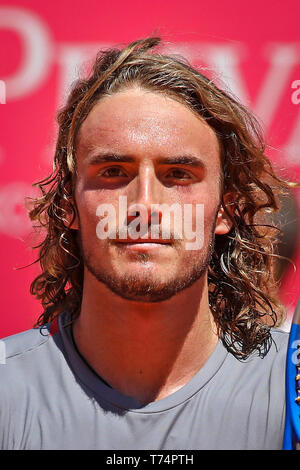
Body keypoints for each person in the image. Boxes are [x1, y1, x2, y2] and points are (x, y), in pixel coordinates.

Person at [0, 37, 297, 450]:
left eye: (177, 174)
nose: (144, 206)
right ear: (68, 203)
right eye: (113, 172)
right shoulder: (5, 392)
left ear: (226, 210)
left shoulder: (290, 392)